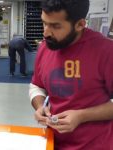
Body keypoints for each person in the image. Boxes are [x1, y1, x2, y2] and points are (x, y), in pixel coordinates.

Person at [29, 0, 113, 149]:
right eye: (44, 23)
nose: (46, 32)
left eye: (55, 26)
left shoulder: (106, 51)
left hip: (95, 145)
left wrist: (81, 116)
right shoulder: (45, 46)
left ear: (80, 24)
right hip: (52, 142)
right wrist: (40, 106)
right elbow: (37, 85)